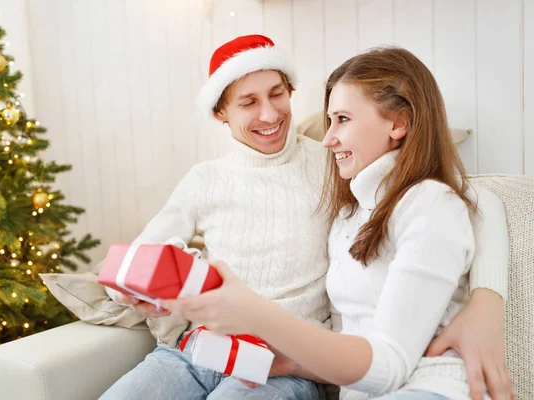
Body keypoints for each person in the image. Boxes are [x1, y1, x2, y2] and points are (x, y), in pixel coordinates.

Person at [102, 36, 512, 400]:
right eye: (248, 103)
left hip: (280, 364)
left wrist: (487, 300)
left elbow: (471, 198)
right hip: (200, 351)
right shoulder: (206, 180)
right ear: (220, 113)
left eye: (277, 94)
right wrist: (136, 290)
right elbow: (144, 255)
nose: (269, 114)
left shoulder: (333, 163)